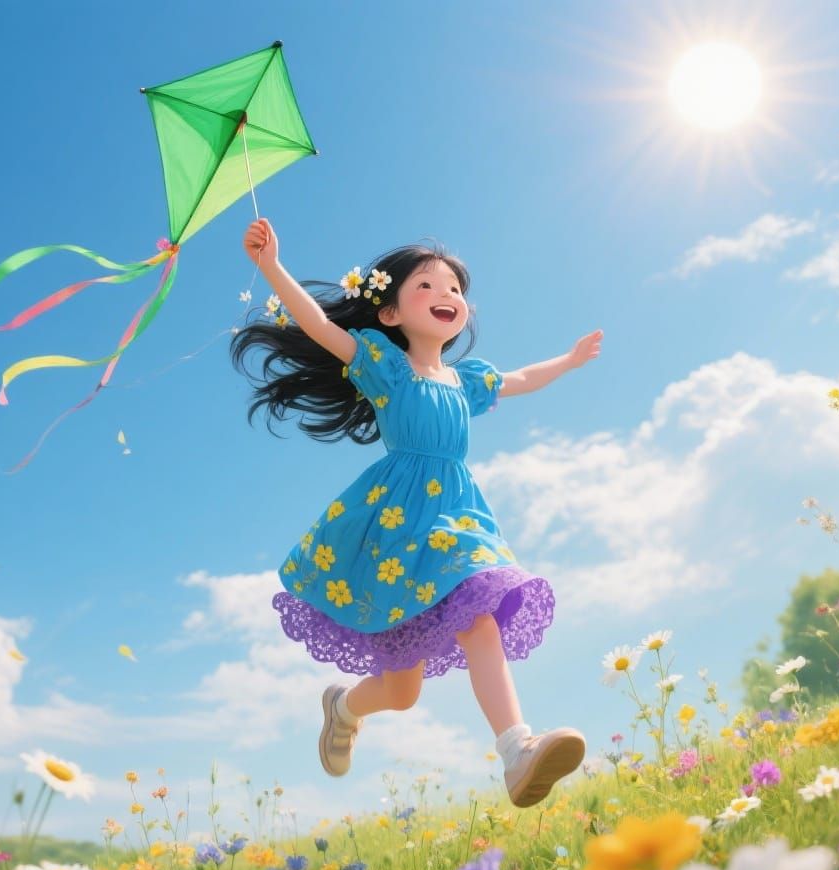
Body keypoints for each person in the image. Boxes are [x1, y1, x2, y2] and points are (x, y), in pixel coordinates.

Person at [232, 218, 602, 808]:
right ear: (389, 315)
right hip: (396, 526)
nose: (446, 295)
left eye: (454, 287)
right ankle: (344, 707)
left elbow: (524, 377)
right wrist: (271, 266)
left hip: (456, 517)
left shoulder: (466, 381)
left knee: (480, 614)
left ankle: (518, 752)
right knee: (402, 692)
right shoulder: (383, 364)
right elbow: (321, 326)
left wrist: (570, 360)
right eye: (426, 286)